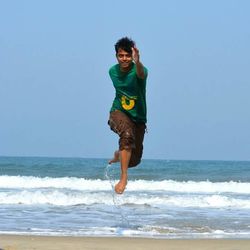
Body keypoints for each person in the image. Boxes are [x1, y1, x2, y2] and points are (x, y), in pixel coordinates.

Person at [108, 37, 148, 194]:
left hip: (138, 118)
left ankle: (119, 154)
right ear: (117, 56)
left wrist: (137, 62)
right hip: (118, 112)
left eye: (127, 55)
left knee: (134, 160)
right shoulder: (113, 71)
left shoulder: (140, 70)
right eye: (121, 55)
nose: (124, 59)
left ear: (132, 56)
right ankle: (123, 178)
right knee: (127, 134)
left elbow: (140, 74)